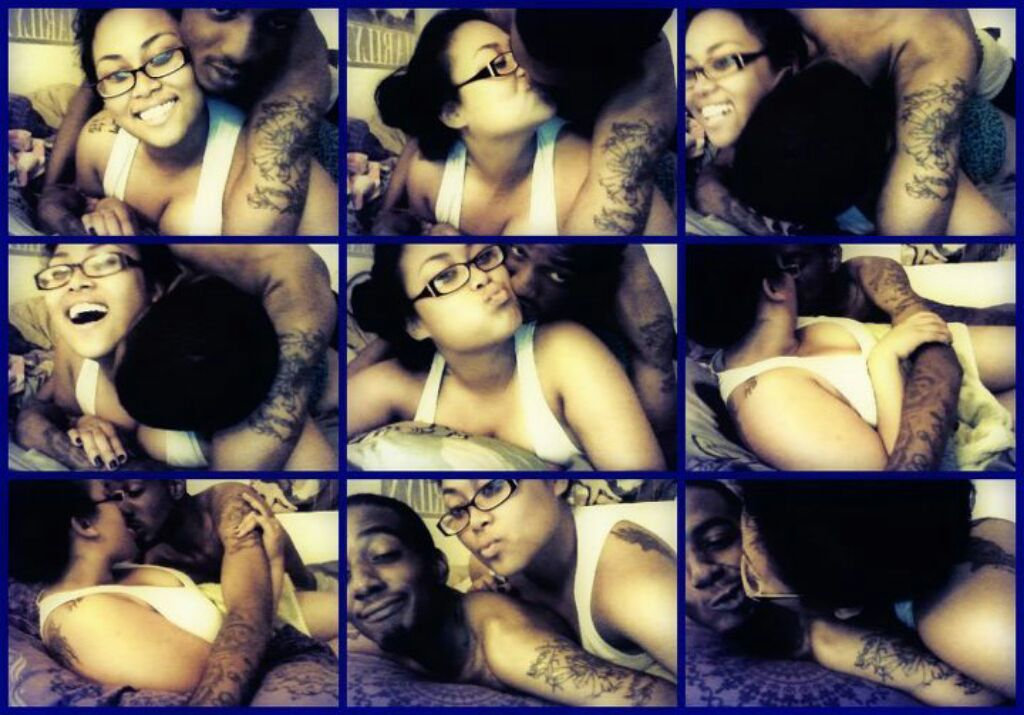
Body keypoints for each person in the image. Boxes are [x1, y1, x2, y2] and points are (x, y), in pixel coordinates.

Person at [685, 8, 1013, 236]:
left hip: (977, 60)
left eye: (722, 63)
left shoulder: (933, 70)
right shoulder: (784, 32)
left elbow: (925, 225)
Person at [686, 244, 1015, 470]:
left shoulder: (789, 328)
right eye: (788, 268)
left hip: (954, 371)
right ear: (774, 288)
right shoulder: (769, 403)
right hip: (950, 436)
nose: (795, 276)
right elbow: (894, 473)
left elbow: (861, 272)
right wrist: (884, 360)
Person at [348, 243, 678, 466]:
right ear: (415, 323)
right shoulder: (396, 383)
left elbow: (642, 483)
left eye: (483, 257)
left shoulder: (566, 351)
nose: (482, 277)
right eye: (445, 276)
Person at [684, 480, 1009, 706]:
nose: (701, 573)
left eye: (719, 540)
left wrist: (833, 641)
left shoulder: (967, 620)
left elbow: (977, 695)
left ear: (845, 606)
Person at [14, 243, 337, 470]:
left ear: (155, 289)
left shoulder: (210, 366)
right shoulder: (72, 346)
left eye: (105, 262)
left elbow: (318, 471)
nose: (76, 282)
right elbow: (40, 411)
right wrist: (80, 430)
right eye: (59, 270)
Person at [347, 493, 675, 705]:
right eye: (344, 573)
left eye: (383, 554)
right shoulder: (373, 621)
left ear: (437, 567)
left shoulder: (512, 647)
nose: (361, 584)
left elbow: (663, 700)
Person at [371, 10, 674, 236]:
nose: (523, 68)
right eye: (499, 63)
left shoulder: (587, 170)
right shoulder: (428, 182)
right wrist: (389, 212)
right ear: (452, 113)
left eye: (516, 54)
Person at [39, 8, 332, 236]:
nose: (240, 51)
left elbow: (257, 246)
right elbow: (101, 75)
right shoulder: (100, 139)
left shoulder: (298, 46)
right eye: (221, 8)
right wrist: (52, 193)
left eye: (163, 57)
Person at [8, 480, 280, 703]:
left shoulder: (116, 571)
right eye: (112, 496)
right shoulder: (85, 618)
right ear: (85, 525)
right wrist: (273, 565)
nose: (124, 508)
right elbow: (242, 670)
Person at [438, 478, 676, 678]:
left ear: (553, 479)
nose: (475, 522)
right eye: (457, 510)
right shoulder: (491, 566)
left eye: (491, 488)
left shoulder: (631, 584)